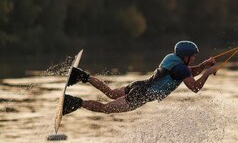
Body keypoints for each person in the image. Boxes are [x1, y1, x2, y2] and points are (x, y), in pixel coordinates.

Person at [63, 41, 218, 115]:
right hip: (141, 95)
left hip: (140, 85)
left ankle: (83, 76)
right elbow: (195, 88)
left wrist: (204, 64)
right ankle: (75, 102)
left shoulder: (173, 60)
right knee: (106, 109)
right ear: (185, 56)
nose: (195, 59)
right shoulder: (181, 69)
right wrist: (207, 72)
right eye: (193, 57)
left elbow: (190, 71)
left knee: (110, 93)